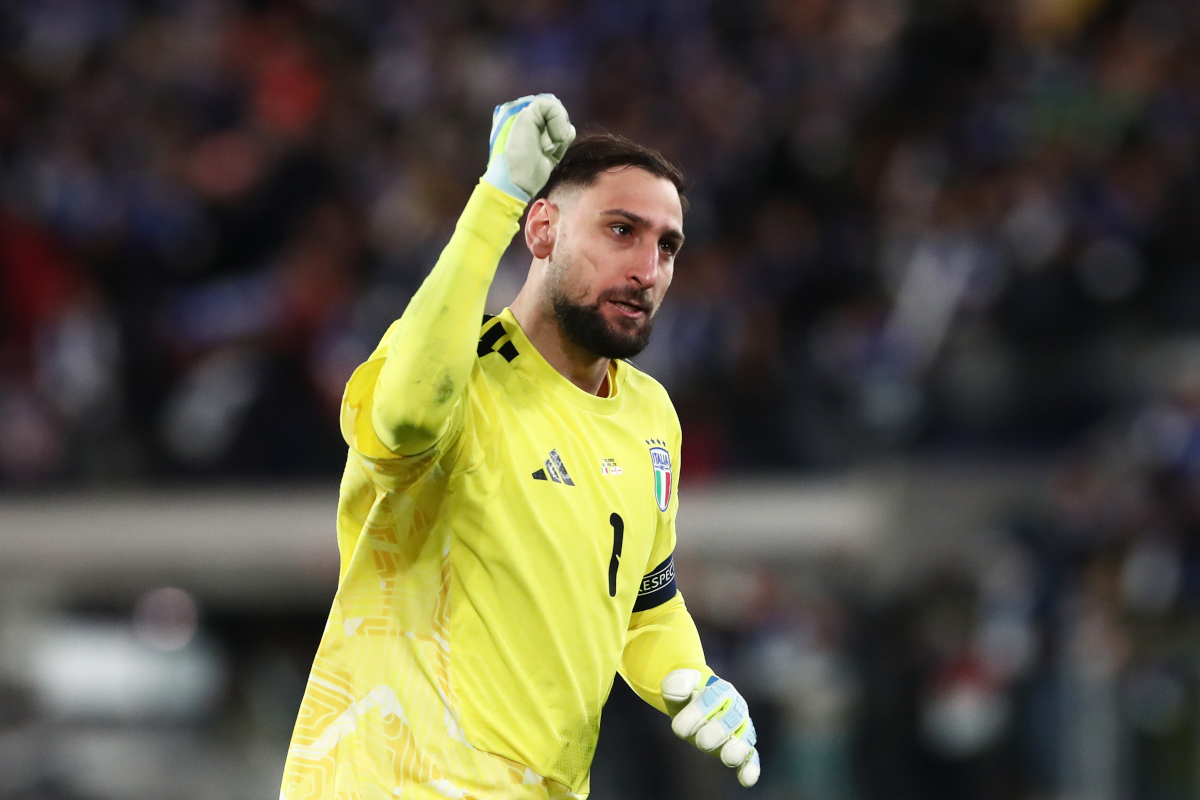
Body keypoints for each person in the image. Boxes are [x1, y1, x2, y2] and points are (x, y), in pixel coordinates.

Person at [282, 94, 759, 800]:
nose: (647, 268)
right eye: (620, 230)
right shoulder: (452, 372)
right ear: (542, 229)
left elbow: (643, 604)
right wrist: (496, 196)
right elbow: (409, 421)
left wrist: (691, 676)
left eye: (666, 246)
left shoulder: (651, 416)